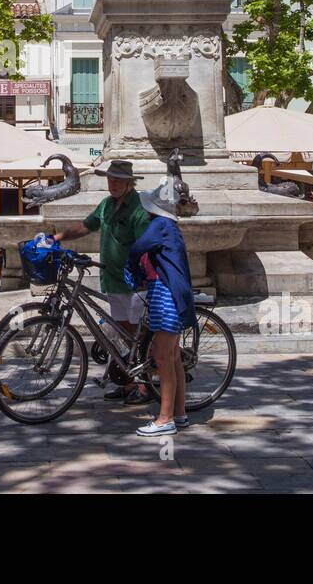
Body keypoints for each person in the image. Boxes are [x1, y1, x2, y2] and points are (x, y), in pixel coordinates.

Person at [52, 160, 152, 403]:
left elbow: (145, 245)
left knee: (142, 336)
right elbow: (86, 226)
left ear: (130, 182)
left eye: (118, 179)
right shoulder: (106, 205)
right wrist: (57, 237)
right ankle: (128, 383)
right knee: (121, 333)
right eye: (110, 178)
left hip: (135, 283)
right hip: (113, 280)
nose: (113, 183)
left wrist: (146, 277)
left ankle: (146, 387)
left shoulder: (138, 208)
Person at [126, 177, 197, 437]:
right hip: (172, 294)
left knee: (162, 357)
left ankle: (164, 418)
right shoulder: (169, 225)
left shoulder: (161, 225)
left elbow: (137, 248)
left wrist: (130, 269)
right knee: (174, 356)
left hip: (165, 295)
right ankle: (179, 414)